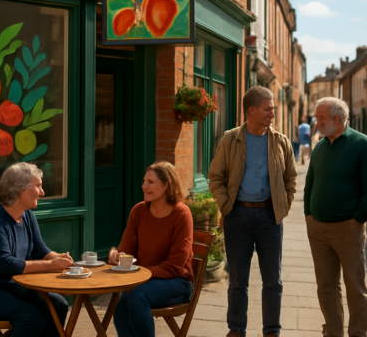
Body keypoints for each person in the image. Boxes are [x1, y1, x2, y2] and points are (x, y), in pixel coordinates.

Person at [208, 86, 298, 337]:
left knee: (273, 280)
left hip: (270, 218)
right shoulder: (230, 139)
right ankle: (236, 329)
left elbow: (291, 178)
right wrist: (227, 206)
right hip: (238, 217)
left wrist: (284, 204)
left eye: (273, 108)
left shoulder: (281, 142)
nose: (273, 112)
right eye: (268, 108)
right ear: (252, 110)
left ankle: (272, 330)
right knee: (237, 280)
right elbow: (215, 177)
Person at [0, 163, 73, 337]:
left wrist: (62, 260)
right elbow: (6, 264)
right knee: (31, 318)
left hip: (9, 288)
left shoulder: (27, 215)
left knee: (58, 304)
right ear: (20, 189)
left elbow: (40, 249)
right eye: (38, 186)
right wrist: (51, 264)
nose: (42, 193)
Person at [304, 97, 367, 337]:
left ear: (337, 119)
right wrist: (308, 215)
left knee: (355, 287)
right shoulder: (319, 146)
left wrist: (357, 219)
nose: (317, 123)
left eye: (321, 118)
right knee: (326, 287)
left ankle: (358, 333)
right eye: (317, 118)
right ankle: (333, 332)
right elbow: (309, 184)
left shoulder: (362, 144)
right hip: (318, 230)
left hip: (348, 229)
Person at [110, 161, 194, 337]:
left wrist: (141, 274)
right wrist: (117, 255)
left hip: (178, 282)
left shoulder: (181, 214)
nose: (144, 186)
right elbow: (126, 249)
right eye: (144, 181)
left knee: (136, 298)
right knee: (121, 307)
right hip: (144, 280)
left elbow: (176, 265)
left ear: (166, 185)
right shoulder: (138, 211)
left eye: (151, 182)